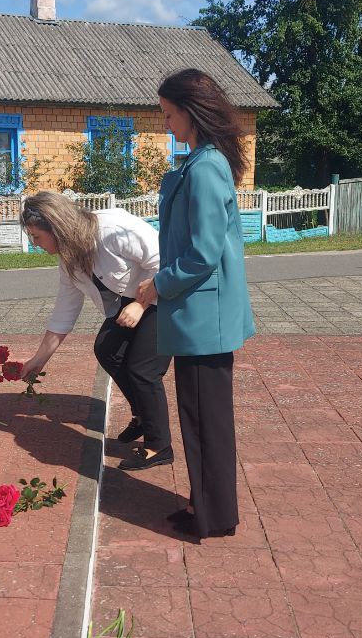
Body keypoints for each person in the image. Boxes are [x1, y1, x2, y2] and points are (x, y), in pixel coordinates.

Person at [136, 69, 255, 540]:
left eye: (168, 114)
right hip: (200, 318)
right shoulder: (200, 161)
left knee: (206, 422)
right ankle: (207, 504)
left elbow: (204, 253)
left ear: (190, 111)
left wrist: (158, 286)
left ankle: (215, 516)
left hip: (205, 318)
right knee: (203, 419)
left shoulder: (205, 167)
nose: (166, 124)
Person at [19, 191, 172, 471]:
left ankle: (158, 445)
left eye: (37, 237)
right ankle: (142, 414)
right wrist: (38, 360)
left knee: (143, 369)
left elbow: (165, 259)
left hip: (166, 295)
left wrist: (140, 305)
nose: (35, 243)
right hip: (134, 300)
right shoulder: (70, 259)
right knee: (107, 348)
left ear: (56, 227)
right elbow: (65, 310)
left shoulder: (112, 230)